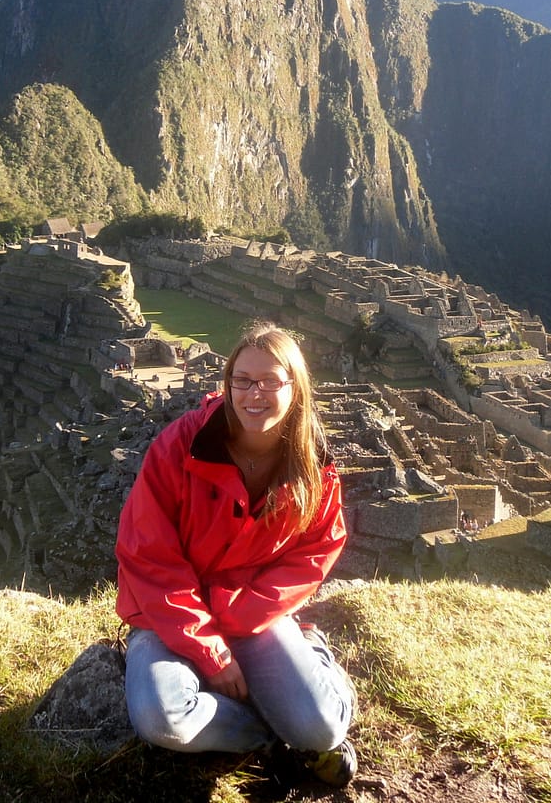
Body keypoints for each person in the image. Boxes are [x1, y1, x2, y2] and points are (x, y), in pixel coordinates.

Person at [116, 323, 358, 787]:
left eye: (270, 381)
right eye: (242, 380)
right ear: (227, 384)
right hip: (166, 615)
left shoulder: (313, 467)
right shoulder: (180, 447)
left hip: (252, 613)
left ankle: (311, 662)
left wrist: (240, 614)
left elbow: (316, 552)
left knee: (323, 727)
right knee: (163, 719)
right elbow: (149, 557)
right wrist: (210, 650)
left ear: (295, 387)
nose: (254, 393)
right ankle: (268, 739)